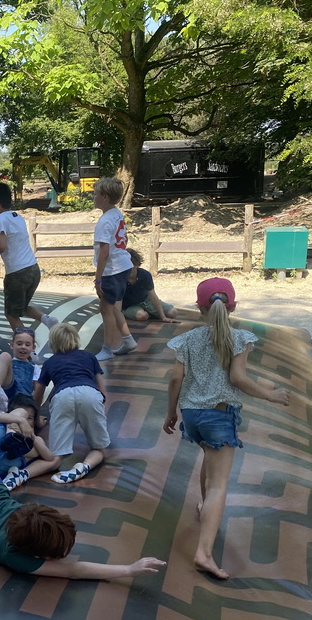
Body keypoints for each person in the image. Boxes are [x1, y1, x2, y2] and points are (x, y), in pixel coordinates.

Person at [0, 403, 166, 579]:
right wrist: (127, 570)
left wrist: (130, 567)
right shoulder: (14, 555)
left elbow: (70, 562)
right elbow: (75, 570)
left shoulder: (28, 513)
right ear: (34, 551)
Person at [163, 277, 291, 580]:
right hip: (218, 415)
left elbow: (174, 380)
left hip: (192, 414)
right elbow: (237, 378)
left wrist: (171, 413)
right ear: (233, 307)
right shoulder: (240, 338)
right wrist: (270, 394)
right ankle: (204, 553)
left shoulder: (188, 339)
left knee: (210, 457)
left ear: (199, 307)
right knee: (221, 482)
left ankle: (204, 506)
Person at [33, 322, 111, 485]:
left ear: (52, 343)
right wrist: (100, 404)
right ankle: (83, 467)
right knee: (99, 449)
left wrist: (34, 415)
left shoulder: (50, 362)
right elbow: (100, 384)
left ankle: (26, 473)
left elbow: (39, 392)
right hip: (90, 393)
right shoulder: (89, 356)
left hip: (62, 396)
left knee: (56, 455)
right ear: (76, 338)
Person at [0, 181, 57, 331]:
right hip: (33, 269)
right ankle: (47, 320)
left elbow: (1, 246)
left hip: (17, 274)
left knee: (11, 314)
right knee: (22, 306)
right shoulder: (17, 217)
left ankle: (27, 348)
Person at [0, 394, 60, 488]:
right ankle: (11, 435)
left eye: (30, 418)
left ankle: (19, 476)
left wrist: (33, 437)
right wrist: (20, 420)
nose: (26, 420)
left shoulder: (35, 439)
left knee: (50, 457)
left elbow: (49, 458)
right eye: (24, 416)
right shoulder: (5, 419)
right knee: (20, 413)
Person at [91, 176, 136, 361]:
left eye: (96, 193)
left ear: (105, 197)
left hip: (112, 270)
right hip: (124, 265)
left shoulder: (104, 222)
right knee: (113, 307)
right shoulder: (116, 213)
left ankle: (107, 349)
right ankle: (128, 339)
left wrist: (98, 278)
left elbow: (104, 252)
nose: (93, 197)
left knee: (106, 310)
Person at [122, 248, 179, 323]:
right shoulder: (121, 277)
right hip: (129, 305)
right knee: (141, 316)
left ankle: (151, 312)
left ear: (136, 265)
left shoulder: (145, 275)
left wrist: (163, 317)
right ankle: (130, 313)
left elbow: (152, 295)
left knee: (172, 312)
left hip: (146, 300)